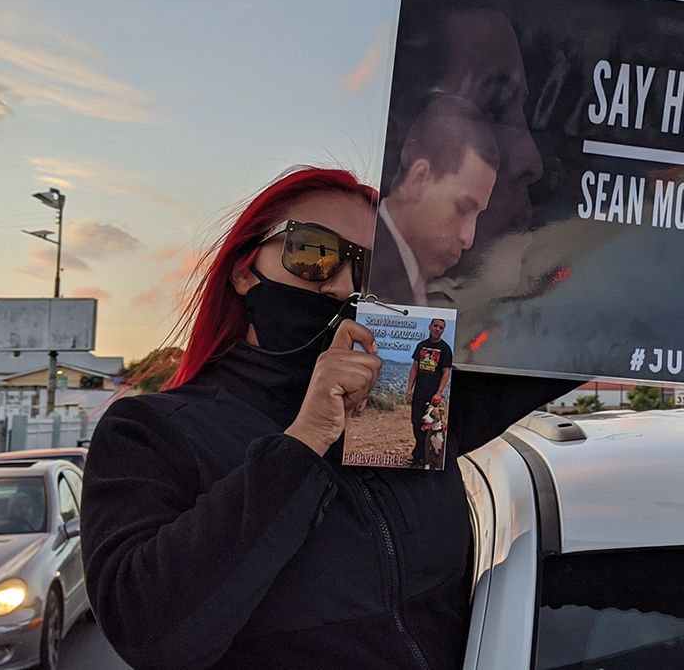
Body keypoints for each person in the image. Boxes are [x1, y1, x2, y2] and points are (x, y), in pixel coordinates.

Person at [80, 167, 577, 668]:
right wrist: (305, 439)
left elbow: (580, 338)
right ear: (244, 270)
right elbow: (146, 630)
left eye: (368, 269)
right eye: (313, 254)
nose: (342, 287)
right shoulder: (151, 429)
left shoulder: (410, 402)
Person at [371, 95, 500, 305]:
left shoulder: (393, 273)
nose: (468, 239)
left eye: (477, 215)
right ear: (419, 178)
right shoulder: (366, 271)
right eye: (462, 208)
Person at [406, 317, 454, 466]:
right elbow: (415, 367)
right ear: (429, 327)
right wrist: (409, 388)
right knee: (416, 423)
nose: (437, 329)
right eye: (435, 326)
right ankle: (420, 454)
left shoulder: (445, 349)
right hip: (419, 392)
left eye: (441, 327)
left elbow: (446, 372)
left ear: (443, 330)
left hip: (433, 395)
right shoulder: (421, 345)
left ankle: (421, 457)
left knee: (430, 426)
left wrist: (439, 392)